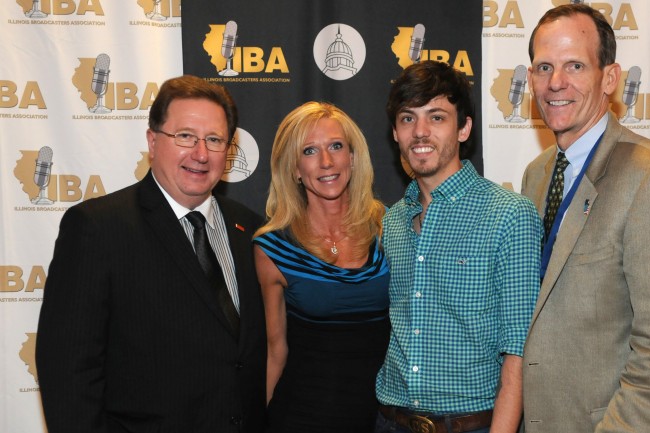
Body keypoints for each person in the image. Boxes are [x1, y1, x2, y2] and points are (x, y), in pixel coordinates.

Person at [36, 75, 267, 433]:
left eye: (214, 140)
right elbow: (68, 372)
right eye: (185, 136)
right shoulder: (98, 228)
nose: (201, 153)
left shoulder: (251, 229)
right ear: (152, 141)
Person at [520, 5, 650, 433]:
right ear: (530, 80)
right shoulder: (538, 173)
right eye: (544, 67)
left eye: (575, 66)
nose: (556, 82)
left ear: (609, 78)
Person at [375, 60, 542, 433]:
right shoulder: (392, 222)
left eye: (436, 117)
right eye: (407, 119)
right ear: (396, 133)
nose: (420, 132)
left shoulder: (509, 215)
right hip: (390, 420)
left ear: (464, 128)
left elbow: (518, 351)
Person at [253, 101, 389, 432]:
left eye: (336, 146)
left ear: (353, 158)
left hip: (385, 419)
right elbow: (275, 350)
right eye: (310, 151)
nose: (326, 162)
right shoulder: (273, 249)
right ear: (295, 169)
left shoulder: (388, 228)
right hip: (302, 417)